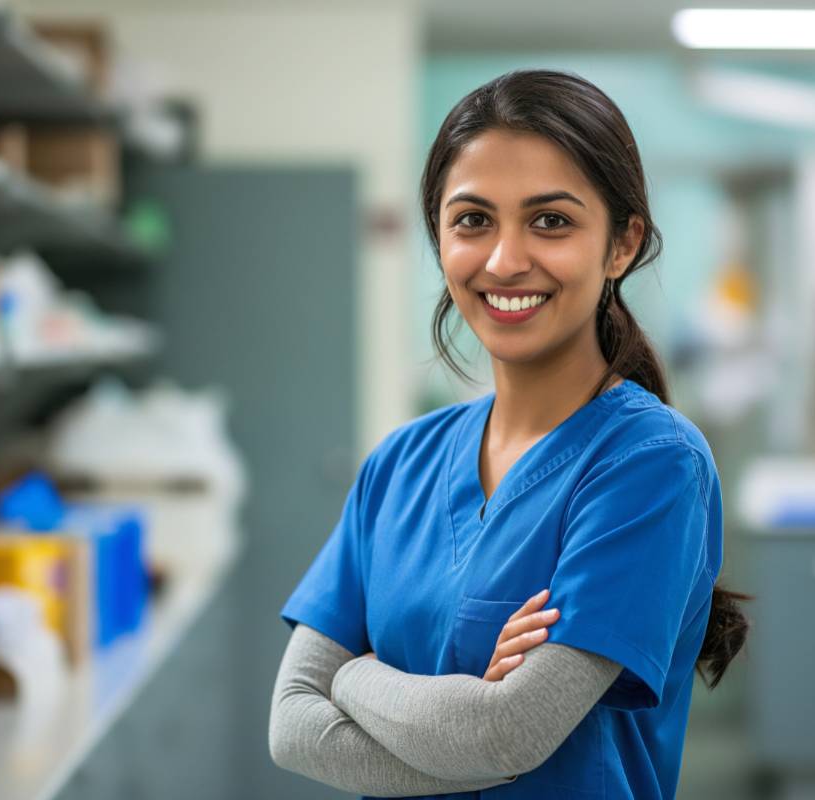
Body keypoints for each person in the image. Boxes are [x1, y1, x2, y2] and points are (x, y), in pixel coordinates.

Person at [269, 69, 749, 800]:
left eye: (551, 221)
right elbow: (292, 725)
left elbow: (508, 736)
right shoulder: (400, 465)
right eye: (473, 220)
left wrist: (355, 675)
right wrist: (462, 722)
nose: (504, 260)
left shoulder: (650, 466)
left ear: (622, 245)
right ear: (438, 237)